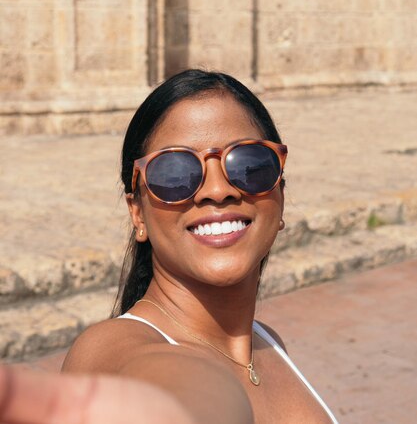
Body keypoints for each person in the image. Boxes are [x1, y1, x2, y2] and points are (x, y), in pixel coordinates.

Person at [1, 70, 339, 424]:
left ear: (280, 195)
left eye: (249, 164)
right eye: (174, 172)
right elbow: (181, 391)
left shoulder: (267, 343)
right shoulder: (111, 348)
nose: (217, 190)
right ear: (138, 215)